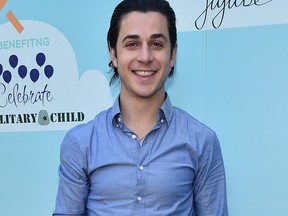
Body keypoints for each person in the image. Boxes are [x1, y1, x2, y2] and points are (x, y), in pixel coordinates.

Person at [53, 0, 228, 215]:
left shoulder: (203, 142)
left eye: (156, 44)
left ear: (172, 55)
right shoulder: (80, 143)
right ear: (113, 54)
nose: (145, 57)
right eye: (132, 44)